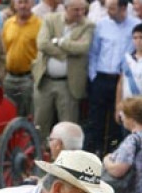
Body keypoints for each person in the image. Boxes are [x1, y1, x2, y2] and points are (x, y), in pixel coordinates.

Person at [32, 0, 92, 140]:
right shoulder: (50, 19)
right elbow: (42, 44)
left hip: (68, 84)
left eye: (82, 10)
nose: (80, 13)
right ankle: (39, 155)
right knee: (40, 123)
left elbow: (83, 47)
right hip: (45, 81)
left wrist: (60, 42)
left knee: (68, 126)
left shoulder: (88, 25)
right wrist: (65, 53)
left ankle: (65, 159)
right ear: (66, 8)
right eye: (76, 10)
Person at [85, 0, 139, 157]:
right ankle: (92, 154)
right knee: (96, 119)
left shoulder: (135, 26)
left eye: (112, 8)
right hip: (101, 78)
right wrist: (93, 76)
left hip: (122, 79)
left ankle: (114, 154)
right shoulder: (102, 25)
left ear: (123, 8)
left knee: (119, 118)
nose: (108, 11)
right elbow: (94, 52)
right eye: (107, 8)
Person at [2, 0, 41, 118]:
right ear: (14, 4)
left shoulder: (40, 25)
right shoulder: (8, 24)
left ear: (33, 4)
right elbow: (3, 50)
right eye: (20, 2)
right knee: (8, 113)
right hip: (9, 78)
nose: (23, 6)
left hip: (28, 78)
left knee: (27, 115)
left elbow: (42, 53)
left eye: (26, 2)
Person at [117, 23, 142, 104]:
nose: (138, 41)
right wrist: (118, 106)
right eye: (135, 38)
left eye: (141, 37)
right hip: (127, 106)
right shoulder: (127, 59)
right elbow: (120, 84)